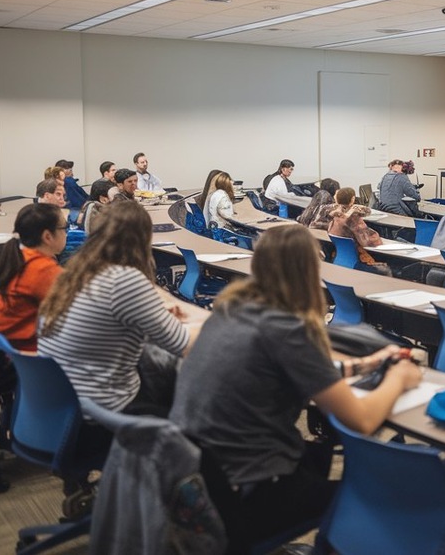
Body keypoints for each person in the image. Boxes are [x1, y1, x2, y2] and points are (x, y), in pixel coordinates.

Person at [169, 224, 420, 554]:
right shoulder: (287, 328)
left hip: (199, 483)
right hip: (243, 496)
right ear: (308, 272)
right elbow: (361, 419)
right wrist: (399, 377)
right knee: (368, 497)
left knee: (315, 457)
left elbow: (292, 373)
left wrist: (364, 365)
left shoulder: (229, 312)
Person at [38, 201, 198, 415]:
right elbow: (183, 344)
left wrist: (154, 313)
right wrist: (213, 320)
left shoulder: (74, 273)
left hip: (62, 402)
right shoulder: (124, 279)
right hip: (105, 412)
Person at [0, 203, 66, 352]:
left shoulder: (16, 259)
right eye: (64, 228)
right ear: (47, 236)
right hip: (26, 353)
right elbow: (74, 313)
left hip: (1, 349)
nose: (66, 233)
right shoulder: (43, 270)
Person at [328, 187, 389, 275]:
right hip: (357, 263)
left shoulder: (335, 216)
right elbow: (369, 242)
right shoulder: (354, 219)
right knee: (389, 268)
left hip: (338, 260)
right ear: (353, 199)